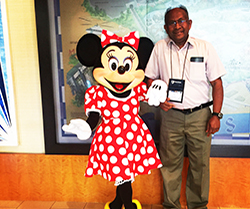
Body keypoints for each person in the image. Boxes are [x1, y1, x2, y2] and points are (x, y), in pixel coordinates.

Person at [144, 5, 226, 209]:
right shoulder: (159, 48)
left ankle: (198, 206)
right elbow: (149, 78)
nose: (177, 26)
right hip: (170, 117)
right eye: (172, 22)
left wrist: (216, 114)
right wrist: (159, 98)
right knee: (170, 166)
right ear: (166, 27)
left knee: (200, 166)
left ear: (189, 24)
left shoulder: (204, 48)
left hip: (200, 117)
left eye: (181, 21)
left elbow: (217, 84)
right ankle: (171, 205)